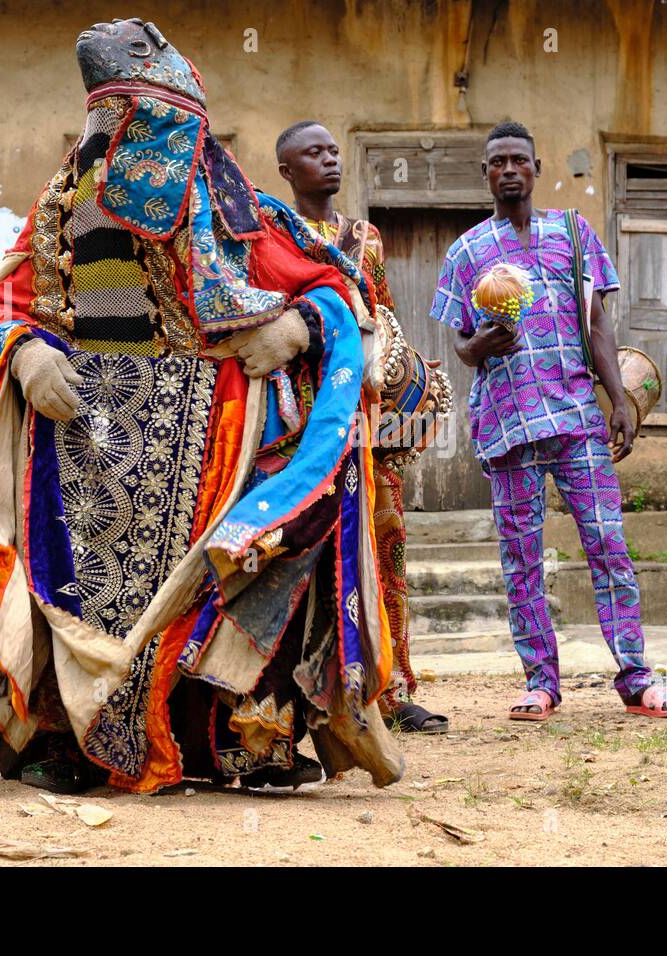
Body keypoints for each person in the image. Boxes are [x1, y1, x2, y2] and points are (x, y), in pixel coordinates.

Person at [0, 18, 405, 795]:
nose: (126, 142)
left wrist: (296, 327)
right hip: (87, 442)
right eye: (112, 123)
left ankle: (240, 741)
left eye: (141, 122)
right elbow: (12, 303)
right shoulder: (65, 210)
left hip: (218, 440)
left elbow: (332, 287)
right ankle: (66, 743)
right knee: (62, 576)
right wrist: (22, 351)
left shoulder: (234, 211)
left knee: (276, 535)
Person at [429, 120, 667, 721]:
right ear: (486, 173)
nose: (510, 169)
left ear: (537, 168)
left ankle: (635, 676)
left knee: (607, 544)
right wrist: (481, 346)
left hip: (575, 415)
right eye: (498, 162)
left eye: (520, 159)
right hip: (507, 423)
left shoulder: (572, 234)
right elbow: (461, 347)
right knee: (521, 556)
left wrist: (618, 398)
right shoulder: (466, 252)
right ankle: (541, 681)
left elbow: (598, 324)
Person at [275, 119, 450, 735]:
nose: (328, 160)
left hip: (368, 422)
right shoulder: (272, 234)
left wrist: (407, 376)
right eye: (311, 152)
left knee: (385, 547)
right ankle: (306, 698)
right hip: (301, 426)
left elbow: (383, 315)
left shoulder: (365, 237)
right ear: (285, 170)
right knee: (303, 553)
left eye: (332, 150)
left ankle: (393, 686)